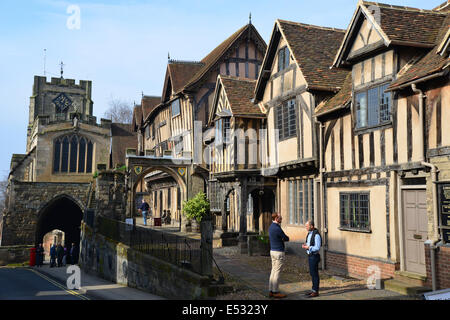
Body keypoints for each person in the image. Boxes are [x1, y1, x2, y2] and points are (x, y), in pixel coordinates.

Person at [268, 213, 289, 299]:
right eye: (280, 217)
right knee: (277, 272)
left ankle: (271, 290)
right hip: (278, 252)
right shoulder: (277, 228)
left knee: (273, 271)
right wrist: (283, 238)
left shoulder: (271, 227)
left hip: (272, 250)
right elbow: (286, 238)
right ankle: (275, 291)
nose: (282, 218)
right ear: (276, 218)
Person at [302, 220, 322, 298]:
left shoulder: (316, 235)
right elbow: (309, 243)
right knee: (312, 273)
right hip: (310, 256)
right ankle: (313, 289)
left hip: (314, 256)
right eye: (305, 226)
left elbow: (317, 247)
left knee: (315, 274)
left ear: (312, 226)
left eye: (307, 226)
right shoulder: (309, 234)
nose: (306, 227)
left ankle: (315, 291)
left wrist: (308, 247)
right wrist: (306, 245)